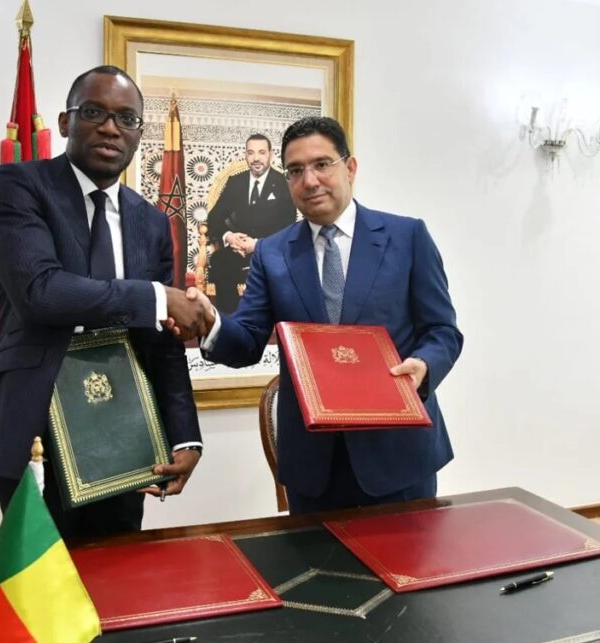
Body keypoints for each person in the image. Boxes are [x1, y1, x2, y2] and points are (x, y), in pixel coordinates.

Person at [0, 65, 210, 538]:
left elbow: (163, 339)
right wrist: (157, 295)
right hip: (35, 426)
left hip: (124, 429)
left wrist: (184, 434)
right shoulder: (17, 186)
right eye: (94, 113)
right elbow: (40, 292)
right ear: (65, 122)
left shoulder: (151, 222)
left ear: (138, 134)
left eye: (126, 118)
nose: (111, 127)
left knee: (119, 570)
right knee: (40, 573)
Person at [197, 116, 463, 514]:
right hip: (313, 464)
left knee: (408, 556)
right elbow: (248, 340)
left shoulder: (407, 237)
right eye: (295, 170)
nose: (309, 181)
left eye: (322, 164)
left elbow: (442, 331)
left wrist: (424, 366)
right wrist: (210, 324)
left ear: (350, 167)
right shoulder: (272, 252)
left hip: (398, 454)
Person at [205, 134, 296, 313]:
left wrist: (256, 244)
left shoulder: (284, 183)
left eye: (261, 152)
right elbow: (214, 218)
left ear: (271, 154)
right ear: (246, 155)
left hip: (269, 251)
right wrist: (229, 237)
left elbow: (288, 224)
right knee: (219, 261)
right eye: (251, 152)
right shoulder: (235, 182)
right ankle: (231, 321)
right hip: (236, 251)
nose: (256, 158)